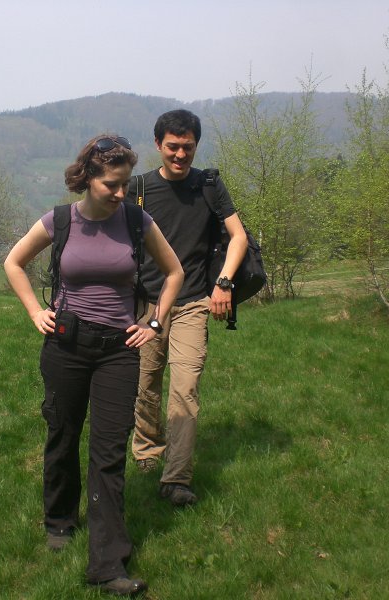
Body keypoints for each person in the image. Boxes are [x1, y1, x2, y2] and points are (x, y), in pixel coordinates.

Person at [4, 135, 183, 596]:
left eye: (125, 184)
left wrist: (155, 322)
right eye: (111, 185)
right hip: (66, 345)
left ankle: (107, 564)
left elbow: (175, 272)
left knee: (109, 451)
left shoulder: (137, 220)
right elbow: (14, 262)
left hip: (118, 350)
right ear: (87, 179)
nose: (121, 193)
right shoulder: (61, 220)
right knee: (62, 435)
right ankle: (59, 520)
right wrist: (34, 311)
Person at [129, 109, 248, 506]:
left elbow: (238, 236)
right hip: (147, 303)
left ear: (196, 145)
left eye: (188, 147)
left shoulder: (209, 186)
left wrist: (223, 283)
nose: (180, 155)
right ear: (158, 144)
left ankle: (176, 477)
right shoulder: (139, 189)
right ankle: (148, 449)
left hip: (194, 301)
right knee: (145, 383)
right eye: (173, 147)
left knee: (185, 388)